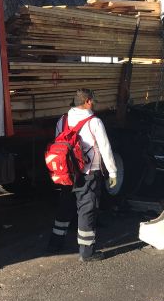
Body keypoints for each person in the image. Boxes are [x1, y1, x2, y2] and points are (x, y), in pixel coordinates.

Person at [47, 88, 118, 262]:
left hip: (67, 173)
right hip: (88, 173)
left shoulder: (62, 120)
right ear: (87, 101)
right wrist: (113, 171)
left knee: (65, 206)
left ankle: (55, 244)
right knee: (87, 209)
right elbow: (105, 148)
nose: (93, 103)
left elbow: (60, 144)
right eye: (92, 100)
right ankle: (87, 253)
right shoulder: (94, 122)